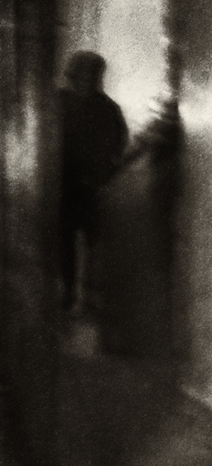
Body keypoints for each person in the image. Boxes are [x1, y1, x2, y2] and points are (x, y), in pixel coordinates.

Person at [101, 93, 182, 361]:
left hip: (140, 223)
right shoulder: (157, 140)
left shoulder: (156, 143)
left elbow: (125, 156)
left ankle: (127, 341)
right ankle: (129, 341)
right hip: (138, 222)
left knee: (134, 282)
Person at [58, 51, 128, 311]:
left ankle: (89, 294)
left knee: (94, 242)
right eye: (83, 74)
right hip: (63, 185)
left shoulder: (107, 109)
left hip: (92, 186)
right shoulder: (59, 103)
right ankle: (68, 294)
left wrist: (105, 173)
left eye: (93, 75)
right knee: (64, 241)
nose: (88, 80)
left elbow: (118, 145)